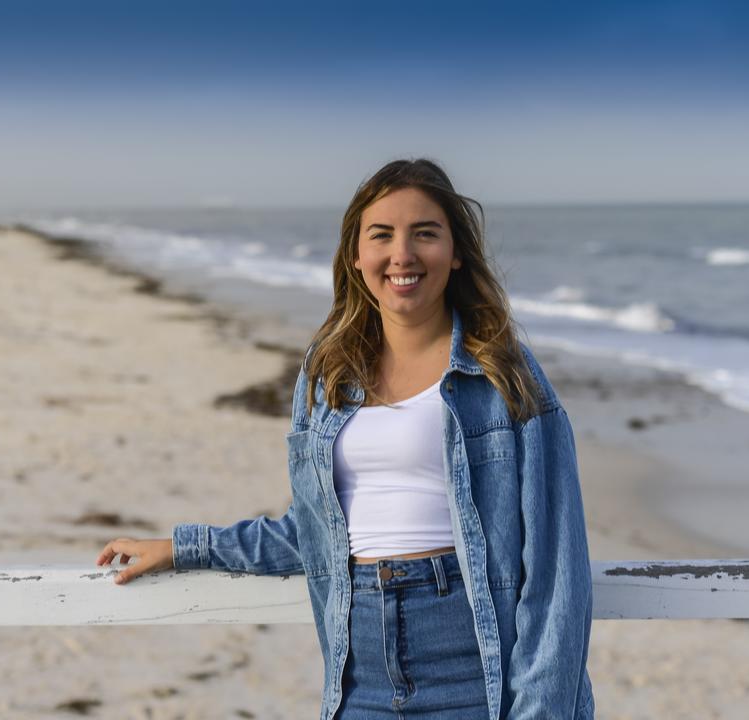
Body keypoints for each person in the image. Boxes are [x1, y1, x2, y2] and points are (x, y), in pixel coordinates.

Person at [95, 158, 595, 720]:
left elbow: (555, 573)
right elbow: (313, 532)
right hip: (360, 675)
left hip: (475, 668)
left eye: (425, 233)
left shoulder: (504, 372)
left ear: (456, 253)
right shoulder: (329, 371)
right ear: (357, 257)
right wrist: (184, 548)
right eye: (381, 235)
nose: (402, 254)